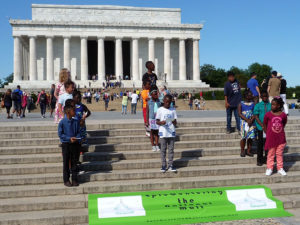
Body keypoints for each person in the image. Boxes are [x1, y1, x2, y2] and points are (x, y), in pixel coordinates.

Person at [58, 104, 81, 187]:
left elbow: (79, 132)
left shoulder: (75, 121)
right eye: (73, 110)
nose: (75, 112)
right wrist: (69, 138)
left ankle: (74, 179)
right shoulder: (62, 122)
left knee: (74, 162)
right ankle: (66, 179)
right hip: (66, 144)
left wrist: (77, 138)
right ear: (68, 112)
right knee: (66, 162)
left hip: (75, 144)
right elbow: (60, 134)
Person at [264, 97, 287, 176]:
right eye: (272, 104)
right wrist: (267, 133)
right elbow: (264, 124)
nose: (272, 106)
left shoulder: (283, 115)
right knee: (270, 154)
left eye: (274, 105)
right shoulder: (268, 114)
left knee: (279, 154)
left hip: (281, 138)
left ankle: (280, 168)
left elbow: (283, 124)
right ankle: (269, 168)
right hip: (271, 138)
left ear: (279, 105)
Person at [156, 94, 177, 173]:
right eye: (166, 102)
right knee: (163, 150)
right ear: (164, 101)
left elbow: (175, 122)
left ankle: (171, 164)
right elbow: (157, 121)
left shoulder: (173, 110)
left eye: (169, 102)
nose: (168, 103)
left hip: (171, 132)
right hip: (163, 132)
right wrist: (161, 122)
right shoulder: (160, 110)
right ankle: (163, 165)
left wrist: (170, 120)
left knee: (171, 150)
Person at [253, 91, 271, 166]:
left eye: (266, 96)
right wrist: (262, 125)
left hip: (269, 128)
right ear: (261, 97)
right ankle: (259, 160)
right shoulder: (258, 105)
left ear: (268, 96)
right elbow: (256, 116)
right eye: (263, 96)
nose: (264, 97)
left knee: (268, 144)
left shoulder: (270, 105)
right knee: (260, 144)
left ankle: (266, 158)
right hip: (261, 128)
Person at [238, 90, 256, 157]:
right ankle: (242, 151)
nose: (251, 96)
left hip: (251, 122)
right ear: (246, 96)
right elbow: (239, 113)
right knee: (243, 137)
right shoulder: (241, 103)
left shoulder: (253, 104)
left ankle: (249, 150)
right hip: (243, 122)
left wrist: (251, 120)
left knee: (250, 137)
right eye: (250, 95)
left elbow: (255, 113)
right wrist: (247, 120)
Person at [146, 87, 161, 152]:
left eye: (157, 94)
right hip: (151, 119)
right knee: (151, 132)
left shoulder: (159, 102)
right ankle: (153, 145)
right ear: (151, 95)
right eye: (155, 94)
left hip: (157, 119)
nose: (156, 95)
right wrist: (146, 121)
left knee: (157, 133)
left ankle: (157, 144)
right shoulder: (149, 102)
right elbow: (147, 112)